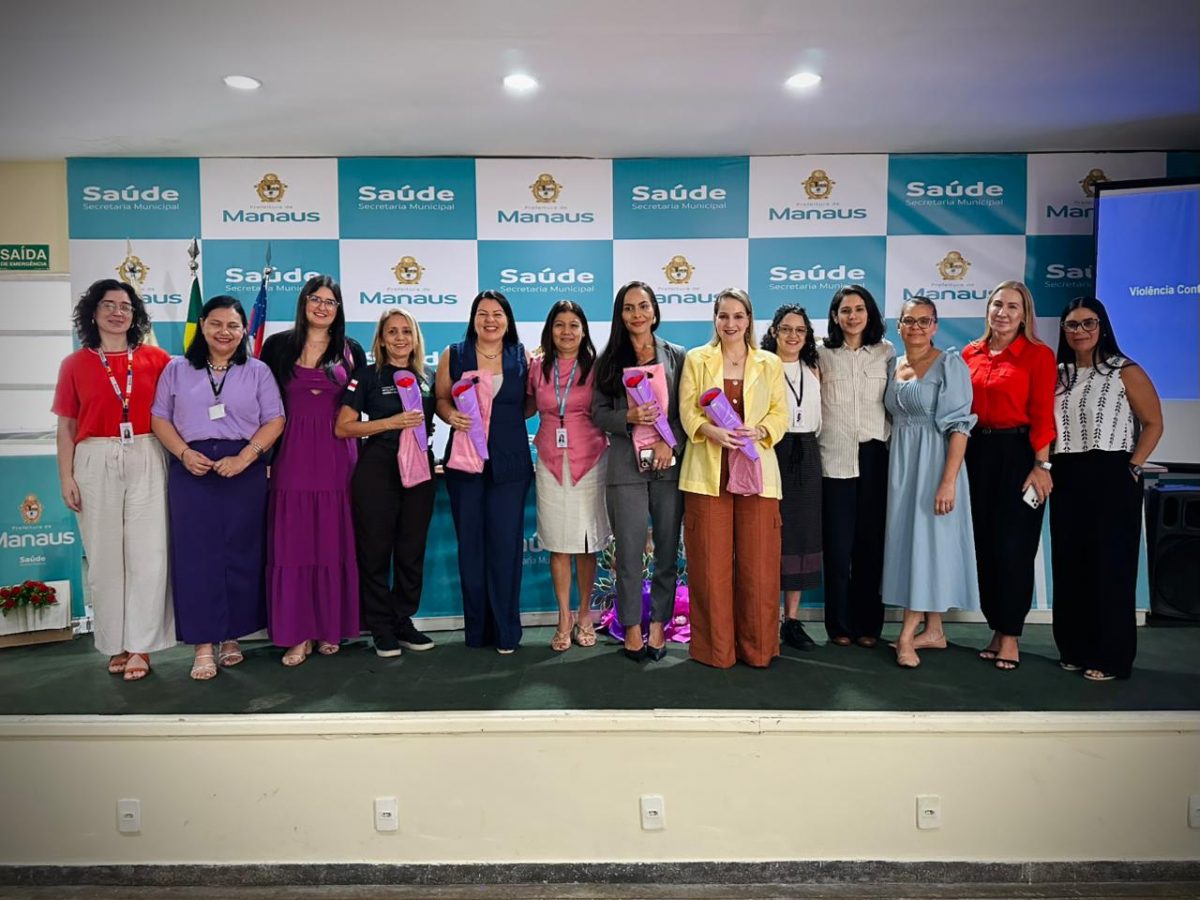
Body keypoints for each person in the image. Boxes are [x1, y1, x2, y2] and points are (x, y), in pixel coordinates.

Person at [150, 296, 285, 680]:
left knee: (242, 554)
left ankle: (232, 638)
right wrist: (182, 453)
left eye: (233, 326)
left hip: (243, 469)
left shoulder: (258, 371)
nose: (224, 332)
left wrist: (246, 457)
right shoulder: (176, 369)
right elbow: (159, 418)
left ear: (244, 331)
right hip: (191, 470)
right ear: (203, 326)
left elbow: (275, 419)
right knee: (197, 559)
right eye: (216, 324)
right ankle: (203, 644)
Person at [52, 279, 175, 682]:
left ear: (135, 315)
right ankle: (113, 643)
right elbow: (67, 426)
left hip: (147, 451)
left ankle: (141, 645)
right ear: (93, 313)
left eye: (125, 306)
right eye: (108, 305)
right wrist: (66, 476)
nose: (117, 312)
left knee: (148, 553)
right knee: (104, 557)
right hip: (94, 457)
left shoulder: (158, 359)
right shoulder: (75, 364)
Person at [1050, 297, 1163, 681]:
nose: (1080, 331)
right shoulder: (1058, 373)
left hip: (1112, 473)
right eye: (1072, 325)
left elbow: (1153, 423)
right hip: (1066, 473)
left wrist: (1132, 467)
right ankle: (1074, 648)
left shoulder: (1124, 370)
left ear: (1102, 326)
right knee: (1070, 564)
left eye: (1088, 323)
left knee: (1110, 568)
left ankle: (1111, 656)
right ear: (1063, 330)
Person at [260, 275, 366, 666]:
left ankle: (330, 627)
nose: (323, 307)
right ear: (304, 303)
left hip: (339, 457)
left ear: (339, 309)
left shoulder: (351, 350)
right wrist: (263, 458)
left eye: (331, 302)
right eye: (315, 299)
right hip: (291, 457)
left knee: (333, 541)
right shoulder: (277, 347)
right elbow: (262, 405)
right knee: (295, 545)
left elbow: (360, 406)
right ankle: (297, 633)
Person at [679, 288, 787, 669]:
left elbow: (780, 414)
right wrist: (710, 431)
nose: (730, 324)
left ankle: (758, 650)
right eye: (723, 316)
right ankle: (716, 651)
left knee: (759, 566)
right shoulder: (696, 359)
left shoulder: (770, 362)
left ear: (749, 320)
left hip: (757, 470)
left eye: (738, 316)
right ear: (715, 319)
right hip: (707, 473)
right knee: (710, 566)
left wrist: (759, 432)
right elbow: (687, 411)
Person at [880, 297, 980, 668]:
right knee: (914, 544)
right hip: (901, 465)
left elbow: (959, 427)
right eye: (909, 321)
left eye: (925, 321)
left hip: (935, 463)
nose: (917, 327)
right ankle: (934, 631)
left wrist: (948, 481)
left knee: (925, 545)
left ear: (935, 325)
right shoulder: (894, 364)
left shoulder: (950, 364)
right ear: (900, 325)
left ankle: (906, 635)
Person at [963, 280, 1057, 672]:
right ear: (987, 309)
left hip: (1020, 455)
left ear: (1025, 316)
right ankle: (996, 629)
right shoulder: (970, 352)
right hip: (976, 454)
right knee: (984, 547)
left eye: (1012, 307)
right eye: (997, 304)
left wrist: (1042, 465)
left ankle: (1012, 637)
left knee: (1014, 548)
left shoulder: (1038, 355)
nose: (1003, 312)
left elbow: (1042, 414)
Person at [591, 282, 686, 662]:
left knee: (666, 549)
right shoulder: (608, 360)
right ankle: (631, 627)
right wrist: (628, 417)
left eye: (643, 306)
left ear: (655, 310)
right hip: (626, 467)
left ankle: (659, 625)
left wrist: (669, 442)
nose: (637, 314)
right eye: (629, 308)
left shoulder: (676, 355)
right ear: (621, 314)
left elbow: (685, 413)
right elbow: (597, 413)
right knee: (629, 553)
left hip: (668, 465)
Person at [334, 309, 437, 658]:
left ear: (415, 337)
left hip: (420, 472)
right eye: (391, 331)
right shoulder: (365, 377)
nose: (399, 338)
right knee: (376, 553)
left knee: (411, 552)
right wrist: (389, 423)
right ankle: (380, 628)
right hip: (378, 470)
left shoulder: (427, 377)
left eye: (406, 331)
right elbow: (343, 426)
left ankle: (402, 619)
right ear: (380, 339)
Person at [435, 290, 533, 654]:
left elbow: (529, 403)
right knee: (471, 550)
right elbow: (442, 399)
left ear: (508, 320)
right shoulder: (453, 354)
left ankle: (507, 633)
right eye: (482, 313)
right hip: (465, 465)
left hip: (510, 465)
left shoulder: (521, 355)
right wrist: (450, 416)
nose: (490, 320)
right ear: (473, 318)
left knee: (506, 549)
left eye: (497, 314)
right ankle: (478, 633)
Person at [527, 300, 610, 652]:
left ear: (583, 330)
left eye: (574, 325)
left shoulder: (599, 367)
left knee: (587, 542)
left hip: (591, 459)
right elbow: (525, 406)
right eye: (559, 325)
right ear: (550, 330)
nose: (566, 331)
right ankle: (563, 617)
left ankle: (585, 615)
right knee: (559, 543)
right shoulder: (536, 367)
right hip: (549, 459)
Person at [817, 285, 895, 648]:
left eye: (859, 309)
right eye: (844, 310)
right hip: (833, 459)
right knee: (837, 549)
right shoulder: (820, 355)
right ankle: (839, 626)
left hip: (875, 456)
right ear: (835, 316)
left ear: (870, 314)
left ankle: (868, 626)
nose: (852, 316)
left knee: (870, 546)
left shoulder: (886, 352)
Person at [760, 304, 822, 652]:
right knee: (769, 534)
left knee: (802, 536)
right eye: (786, 329)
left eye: (800, 329)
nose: (793, 335)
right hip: (772, 450)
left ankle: (792, 620)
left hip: (808, 452)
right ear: (774, 332)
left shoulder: (813, 367)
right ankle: (765, 618)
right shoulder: (763, 366)